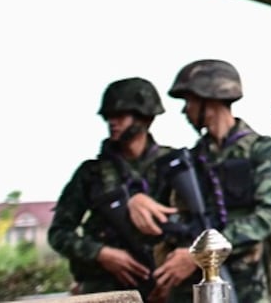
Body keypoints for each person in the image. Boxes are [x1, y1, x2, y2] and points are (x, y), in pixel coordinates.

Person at [128, 59, 271, 303]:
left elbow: (266, 217)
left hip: (246, 284)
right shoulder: (190, 159)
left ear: (209, 99)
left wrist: (198, 255)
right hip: (191, 287)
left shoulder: (261, 150)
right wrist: (137, 199)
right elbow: (160, 204)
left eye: (189, 101)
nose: (185, 111)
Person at [48, 77, 176, 300]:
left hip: (166, 289)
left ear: (144, 117)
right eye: (108, 117)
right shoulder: (91, 173)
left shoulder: (175, 166)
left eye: (120, 116)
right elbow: (59, 233)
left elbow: (199, 224)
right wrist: (101, 254)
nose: (112, 122)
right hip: (107, 290)